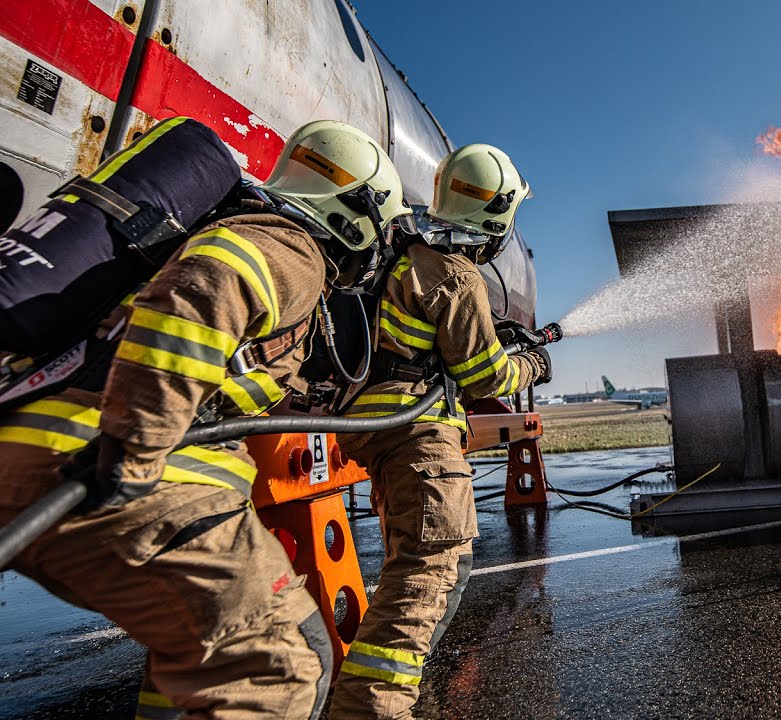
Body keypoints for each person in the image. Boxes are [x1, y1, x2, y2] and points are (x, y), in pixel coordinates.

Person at [0, 119, 412, 719]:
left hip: (43, 460)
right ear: (357, 214)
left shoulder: (216, 224)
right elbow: (212, 281)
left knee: (201, 655)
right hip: (113, 474)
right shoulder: (292, 245)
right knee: (275, 663)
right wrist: (135, 450)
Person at [328, 144, 551, 718]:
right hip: (416, 435)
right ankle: (378, 704)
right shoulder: (456, 271)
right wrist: (531, 364)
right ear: (496, 217)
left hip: (379, 424)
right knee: (426, 572)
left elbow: (429, 339)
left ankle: (397, 682)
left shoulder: (408, 249)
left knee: (448, 565)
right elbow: (484, 378)